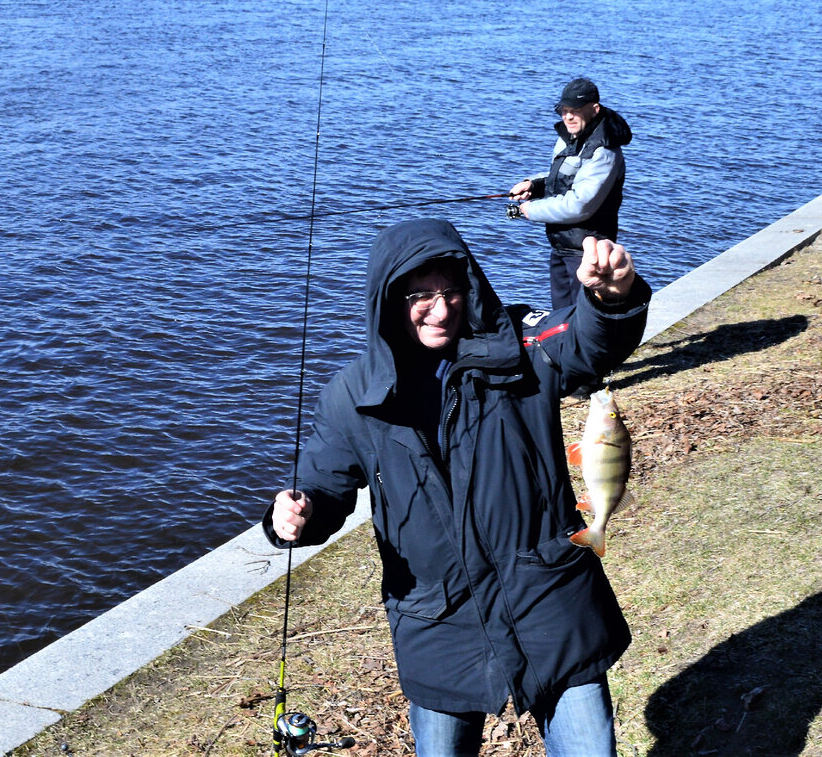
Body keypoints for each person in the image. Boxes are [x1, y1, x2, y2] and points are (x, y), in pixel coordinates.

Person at [264, 217, 651, 757]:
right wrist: (296, 514)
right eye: (419, 295)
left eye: (450, 291)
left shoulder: (522, 343)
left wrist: (611, 297)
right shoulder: (351, 394)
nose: (440, 309)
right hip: (437, 621)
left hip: (551, 602)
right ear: (388, 298)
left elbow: (586, 343)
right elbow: (323, 486)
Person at [507, 77, 633, 401]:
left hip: (587, 248)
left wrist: (529, 211)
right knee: (562, 312)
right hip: (562, 243)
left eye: (575, 111)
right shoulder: (570, 137)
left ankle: (587, 382)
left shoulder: (605, 151)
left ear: (594, 109)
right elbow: (562, 179)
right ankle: (568, 373)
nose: (568, 117)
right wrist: (533, 184)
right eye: (564, 110)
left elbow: (580, 204)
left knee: (587, 316)